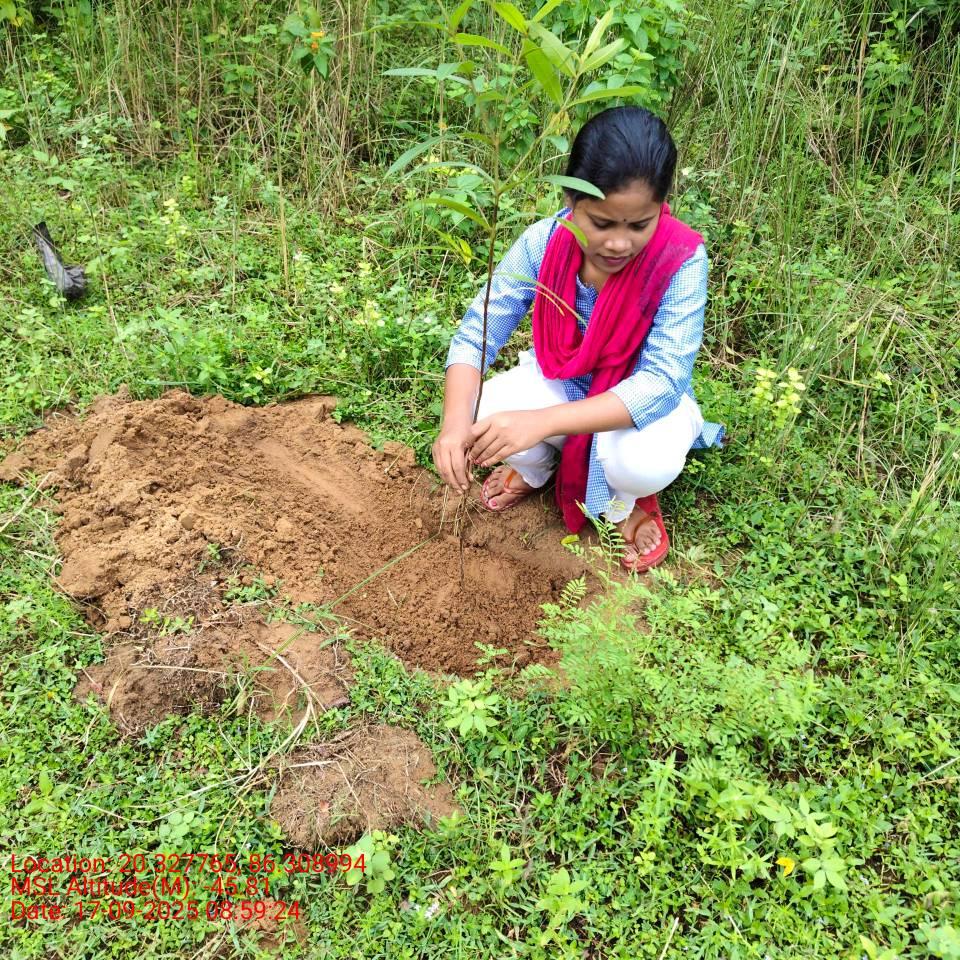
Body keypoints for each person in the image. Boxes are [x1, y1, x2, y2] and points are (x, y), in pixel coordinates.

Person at [432, 105, 724, 572]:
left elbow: (662, 383)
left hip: (636, 404)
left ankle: (626, 503)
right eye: (602, 223)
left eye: (639, 225)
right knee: (480, 411)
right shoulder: (544, 241)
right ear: (571, 200)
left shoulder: (680, 260)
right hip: (565, 383)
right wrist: (452, 425)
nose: (619, 243)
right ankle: (537, 469)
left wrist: (541, 422)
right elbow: (477, 335)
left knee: (642, 462)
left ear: (661, 207)